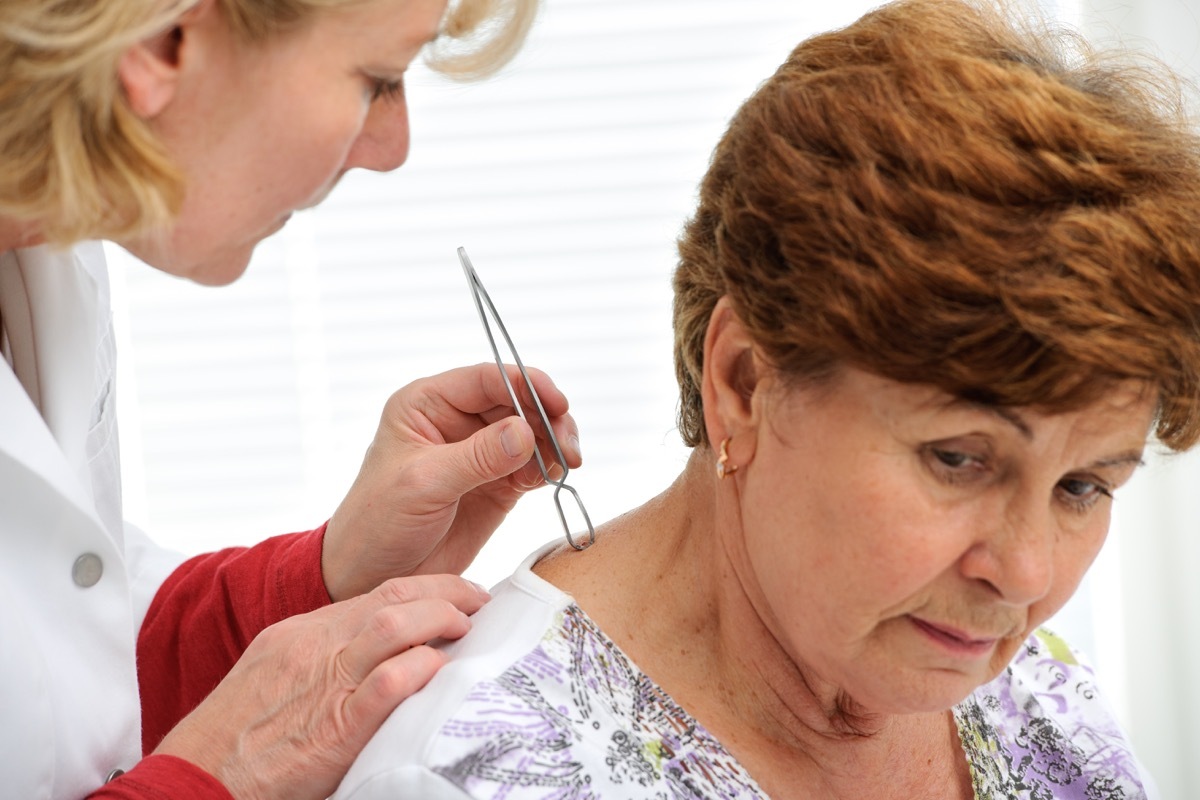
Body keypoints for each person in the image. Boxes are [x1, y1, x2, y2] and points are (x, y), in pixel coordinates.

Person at [331, 0, 1200, 797]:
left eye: (1082, 487)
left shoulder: (1037, 706)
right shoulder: (478, 773)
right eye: (959, 460)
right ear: (744, 382)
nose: (1026, 575)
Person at [0, 0, 588, 798]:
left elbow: (66, 634)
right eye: (376, 80)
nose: (393, 149)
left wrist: (322, 579)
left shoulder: (45, 254)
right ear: (160, 41)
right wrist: (214, 779)